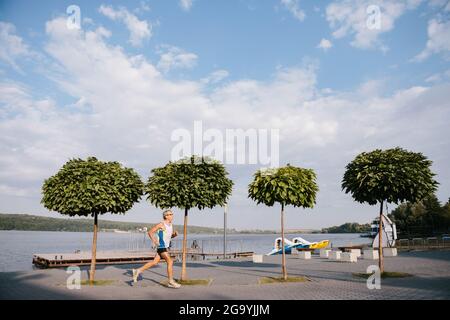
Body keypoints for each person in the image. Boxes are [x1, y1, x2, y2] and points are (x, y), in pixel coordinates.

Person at [132, 210, 181, 288]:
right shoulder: (161, 224)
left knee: (155, 262)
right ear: (166, 216)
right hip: (161, 246)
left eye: (172, 214)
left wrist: (174, 235)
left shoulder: (170, 225)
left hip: (165, 246)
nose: (172, 215)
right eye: (170, 214)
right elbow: (150, 232)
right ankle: (171, 281)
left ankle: (138, 271)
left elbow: (168, 237)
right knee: (170, 261)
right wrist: (154, 241)